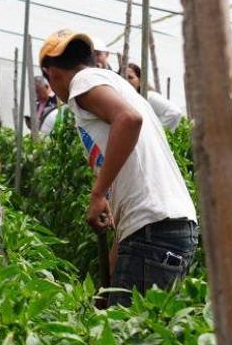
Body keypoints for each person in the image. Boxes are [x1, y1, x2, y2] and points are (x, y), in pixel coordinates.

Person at [38, 30, 198, 303]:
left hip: (156, 231)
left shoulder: (83, 81)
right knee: (140, 335)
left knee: (128, 339)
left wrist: (97, 194)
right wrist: (118, 254)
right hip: (159, 230)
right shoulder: (116, 85)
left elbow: (129, 120)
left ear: (51, 74)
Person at [125, 63, 184, 132]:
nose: (125, 81)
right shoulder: (122, 100)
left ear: (140, 81)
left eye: (130, 77)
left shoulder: (148, 97)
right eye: (122, 77)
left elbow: (174, 112)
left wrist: (155, 133)